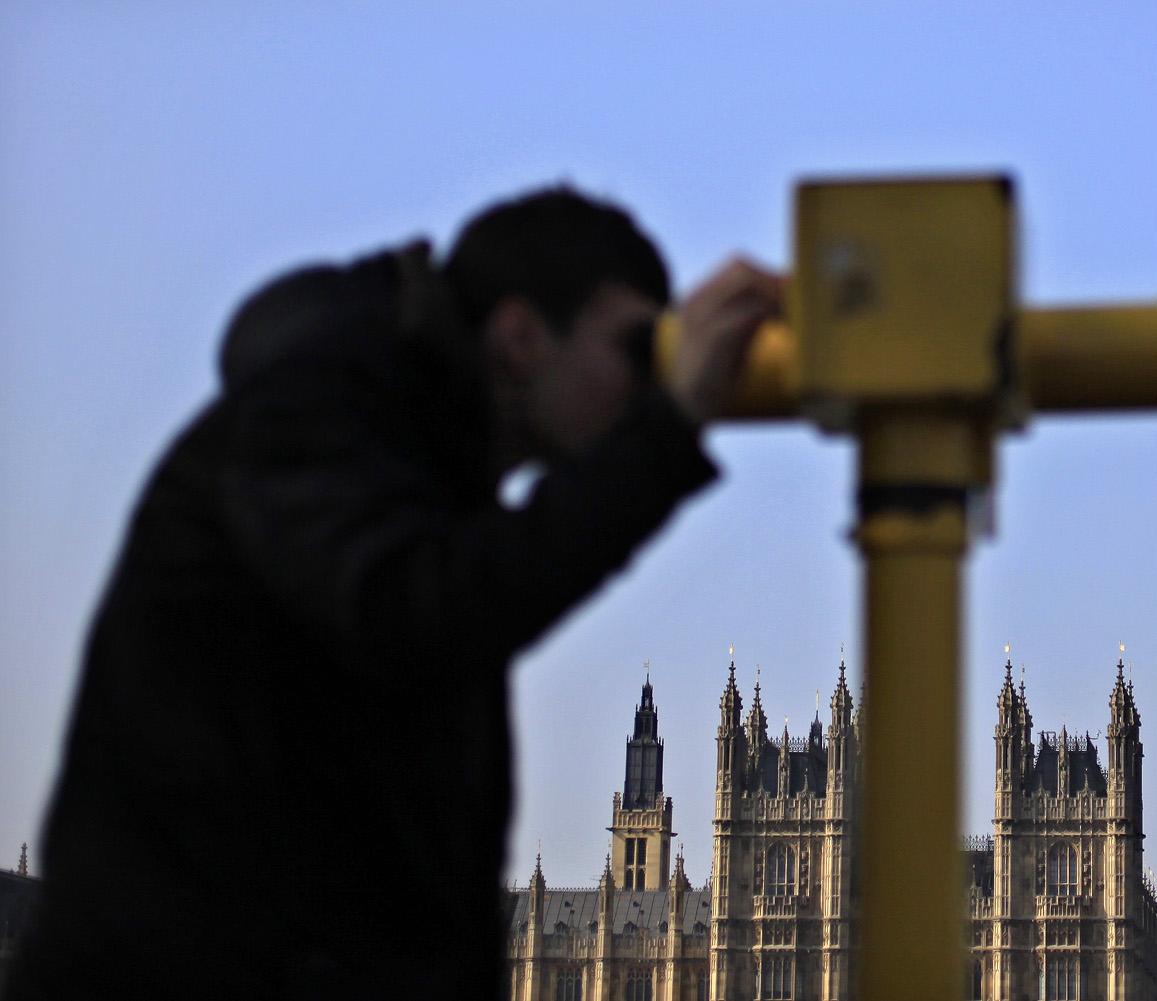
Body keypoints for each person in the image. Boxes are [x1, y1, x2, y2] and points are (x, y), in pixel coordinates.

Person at [7, 188, 782, 1000]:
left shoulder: (412, 467)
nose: (644, 383)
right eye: (631, 346)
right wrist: (660, 443)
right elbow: (421, 612)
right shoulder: (316, 416)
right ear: (519, 337)